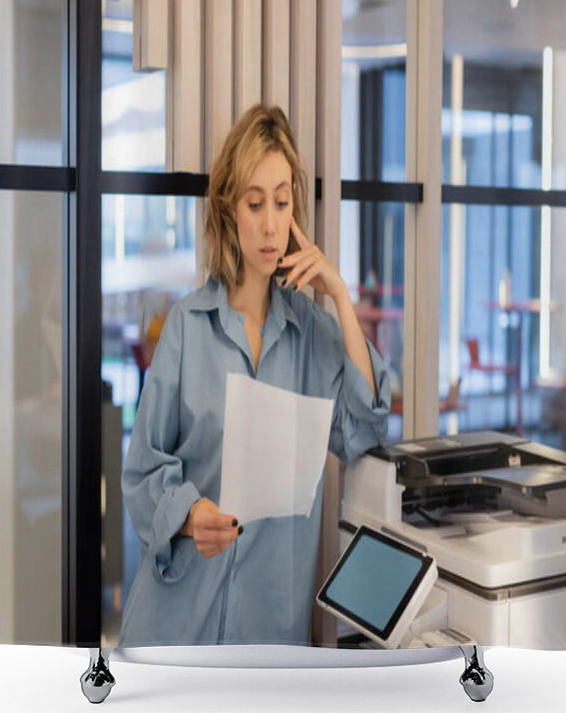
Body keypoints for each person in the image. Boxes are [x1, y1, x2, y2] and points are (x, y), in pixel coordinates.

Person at [118, 104, 391, 647]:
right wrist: (190, 513)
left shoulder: (314, 333)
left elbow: (366, 427)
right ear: (229, 209)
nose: (271, 225)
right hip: (178, 618)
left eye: (283, 203)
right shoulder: (187, 327)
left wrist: (339, 296)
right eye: (255, 202)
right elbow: (142, 469)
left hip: (268, 625)